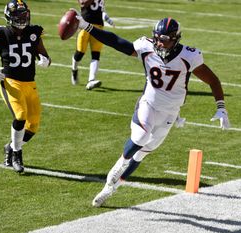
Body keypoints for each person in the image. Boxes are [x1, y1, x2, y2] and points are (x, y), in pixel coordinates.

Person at [75, 14, 230, 207]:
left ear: (175, 39)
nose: (160, 44)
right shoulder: (146, 46)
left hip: (171, 112)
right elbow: (116, 42)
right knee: (140, 137)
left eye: (165, 40)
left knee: (144, 152)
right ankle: (118, 167)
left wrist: (221, 107)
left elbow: (213, 80)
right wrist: (86, 26)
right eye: (158, 39)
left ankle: (112, 187)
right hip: (149, 103)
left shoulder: (189, 56)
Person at [0, 0, 51, 173]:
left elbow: (45, 56)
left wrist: (45, 61)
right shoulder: (1, 34)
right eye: (18, 16)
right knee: (20, 116)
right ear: (9, 16)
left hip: (30, 84)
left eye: (24, 15)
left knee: (33, 125)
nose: (22, 19)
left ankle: (10, 147)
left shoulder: (34, 32)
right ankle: (17, 154)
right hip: (11, 83)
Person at [71, 0, 114, 90]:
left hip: (98, 26)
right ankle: (74, 69)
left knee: (96, 54)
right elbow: (83, 3)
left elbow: (100, 10)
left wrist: (107, 18)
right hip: (85, 25)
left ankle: (91, 80)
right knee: (80, 52)